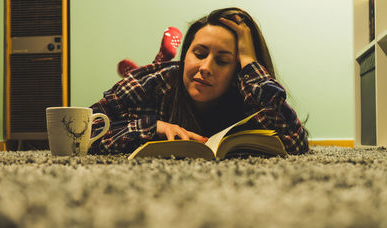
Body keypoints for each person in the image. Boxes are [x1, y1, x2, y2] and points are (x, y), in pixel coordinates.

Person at [89, 7, 309, 155]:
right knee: (150, 75)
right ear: (185, 55)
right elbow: (79, 131)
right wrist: (153, 127)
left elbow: (295, 142)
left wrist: (249, 61)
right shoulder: (154, 82)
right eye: (199, 54)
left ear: (237, 73)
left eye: (222, 61)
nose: (205, 68)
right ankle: (160, 60)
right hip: (154, 82)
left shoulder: (248, 90)